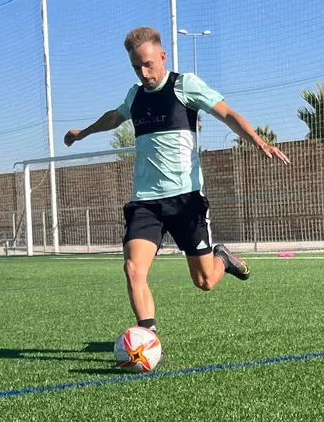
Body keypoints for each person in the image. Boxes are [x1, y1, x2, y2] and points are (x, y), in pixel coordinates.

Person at [63, 26, 290, 336]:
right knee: (133, 269)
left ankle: (222, 258)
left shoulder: (184, 86)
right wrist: (83, 133)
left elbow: (226, 113)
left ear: (162, 56)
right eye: (136, 67)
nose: (144, 73)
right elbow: (114, 117)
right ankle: (148, 338)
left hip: (186, 201)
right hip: (146, 203)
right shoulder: (135, 96)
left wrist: (257, 140)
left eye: (148, 64)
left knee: (205, 282)